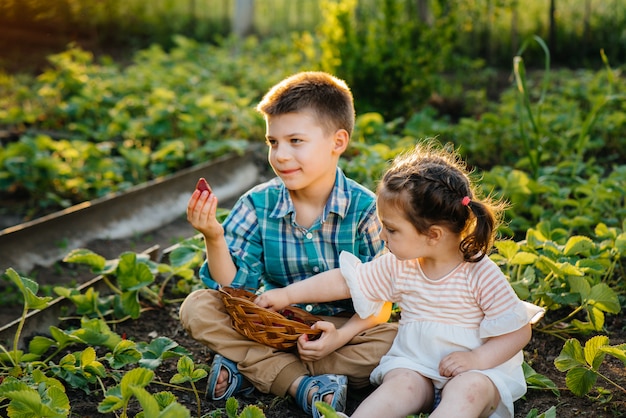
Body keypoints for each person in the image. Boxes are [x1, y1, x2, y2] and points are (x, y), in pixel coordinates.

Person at [255, 140, 545, 418]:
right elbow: (345, 281)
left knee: (468, 391)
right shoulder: (399, 265)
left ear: (433, 235)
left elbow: (518, 332)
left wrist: (476, 360)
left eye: (391, 230)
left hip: (476, 370)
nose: (382, 236)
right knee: (398, 386)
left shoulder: (479, 272)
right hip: (417, 365)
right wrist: (288, 295)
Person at [179, 71, 398, 418]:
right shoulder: (257, 204)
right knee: (198, 307)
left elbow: (381, 301)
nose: (280, 155)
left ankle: (251, 369)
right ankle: (305, 385)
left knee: (394, 341)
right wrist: (213, 237)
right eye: (272, 142)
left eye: (295, 141)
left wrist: (341, 337)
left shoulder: (367, 210)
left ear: (337, 142)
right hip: (271, 323)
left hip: (341, 330)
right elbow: (233, 289)